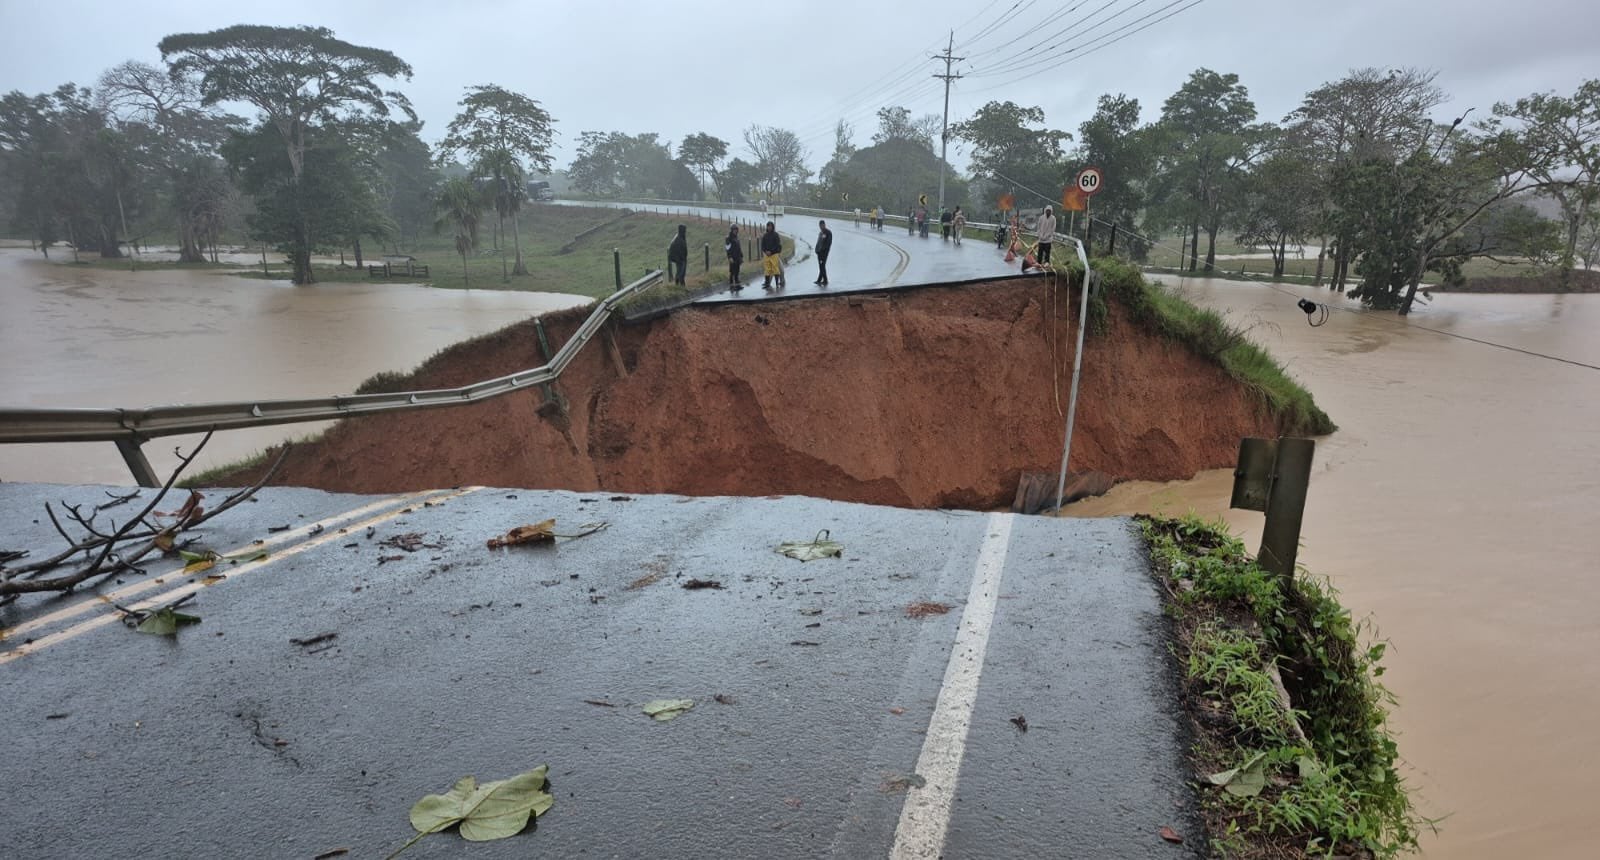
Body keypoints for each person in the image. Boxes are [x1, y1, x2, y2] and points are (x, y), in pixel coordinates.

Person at [760, 220, 784, 289]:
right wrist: (765, 251)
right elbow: (762, 245)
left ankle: (779, 282)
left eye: (770, 226)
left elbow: (777, 245)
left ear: (772, 227)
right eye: (768, 226)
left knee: (777, 269)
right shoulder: (765, 236)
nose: (769, 228)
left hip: (774, 254)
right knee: (767, 269)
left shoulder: (775, 235)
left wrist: (771, 251)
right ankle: (767, 283)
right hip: (767, 255)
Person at [814, 220, 833, 287]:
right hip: (819, 252)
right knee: (821, 266)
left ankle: (825, 280)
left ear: (824, 225)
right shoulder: (821, 233)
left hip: (824, 253)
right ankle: (820, 280)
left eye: (822, 225)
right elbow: (818, 242)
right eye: (820, 226)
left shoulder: (828, 233)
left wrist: (823, 250)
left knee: (822, 265)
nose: (821, 227)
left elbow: (828, 243)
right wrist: (816, 249)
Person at [725, 224, 744, 289]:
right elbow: (727, 249)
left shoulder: (736, 237)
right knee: (732, 271)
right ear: (732, 230)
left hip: (737, 257)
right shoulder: (728, 238)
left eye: (736, 230)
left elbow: (739, 247)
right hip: (732, 257)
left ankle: (737, 285)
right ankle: (731, 286)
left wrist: (741, 256)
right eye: (734, 230)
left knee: (737, 271)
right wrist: (730, 257)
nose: (735, 231)